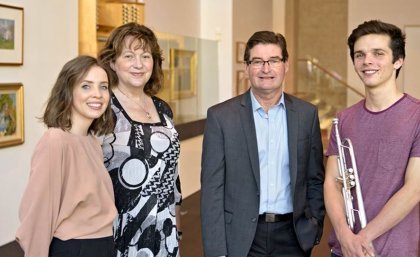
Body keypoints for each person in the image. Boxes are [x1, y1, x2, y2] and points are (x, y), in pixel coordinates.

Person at [200, 31, 325, 257]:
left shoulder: (307, 115)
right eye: (257, 61)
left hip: (293, 236)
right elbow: (212, 190)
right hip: (240, 236)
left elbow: (314, 177)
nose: (266, 69)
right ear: (247, 67)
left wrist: (314, 224)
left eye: (273, 61)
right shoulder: (221, 117)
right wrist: (216, 250)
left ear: (286, 65)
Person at [324, 20, 420, 257]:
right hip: (343, 250)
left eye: (378, 53)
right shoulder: (343, 119)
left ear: (398, 60)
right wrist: (345, 236)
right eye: (360, 55)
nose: (367, 61)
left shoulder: (417, 115)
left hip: (394, 251)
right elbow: (332, 183)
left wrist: (363, 238)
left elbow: (414, 188)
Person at [15, 55, 117, 257]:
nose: (97, 94)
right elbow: (37, 213)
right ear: (68, 91)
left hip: (102, 246)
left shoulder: (92, 142)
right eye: (86, 86)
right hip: (75, 249)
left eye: (103, 87)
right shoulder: (56, 141)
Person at [98, 22, 182, 257]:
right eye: (129, 56)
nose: (138, 64)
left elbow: (173, 177)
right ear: (113, 62)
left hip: (164, 230)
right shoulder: (103, 107)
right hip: (119, 232)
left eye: (145, 56)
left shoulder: (162, 108)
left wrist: (176, 233)